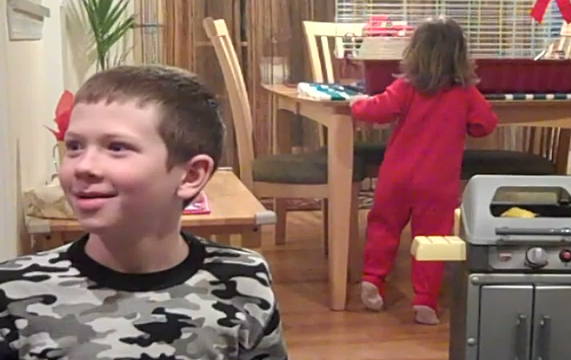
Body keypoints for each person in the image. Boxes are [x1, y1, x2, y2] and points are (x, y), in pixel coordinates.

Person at [0, 65, 287, 359]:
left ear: (190, 176)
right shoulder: (14, 290)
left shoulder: (243, 280)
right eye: (75, 146)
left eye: (117, 147)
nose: (83, 166)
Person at [350, 17, 498, 324]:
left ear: (415, 51)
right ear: (461, 55)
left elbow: (377, 110)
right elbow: (486, 124)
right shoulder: (466, 93)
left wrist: (356, 104)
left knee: (383, 227)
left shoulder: (406, 87)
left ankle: (373, 279)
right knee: (433, 239)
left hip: (396, 176)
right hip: (438, 182)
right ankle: (425, 301)